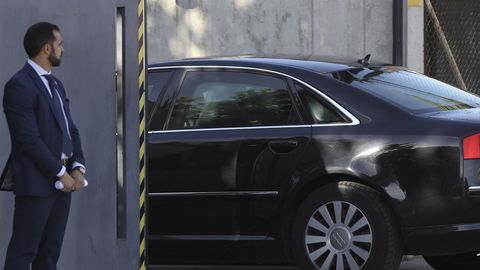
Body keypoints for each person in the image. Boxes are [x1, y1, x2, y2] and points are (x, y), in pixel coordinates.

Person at [2, 22, 86, 270]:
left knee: (49, 255)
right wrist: (60, 173)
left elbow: (70, 129)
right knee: (22, 253)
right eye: (60, 44)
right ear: (46, 48)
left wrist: (77, 166)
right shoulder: (19, 85)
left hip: (64, 183)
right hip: (37, 183)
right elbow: (28, 140)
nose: (63, 49)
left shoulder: (56, 85)